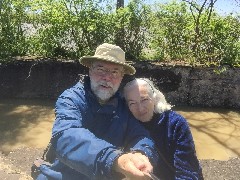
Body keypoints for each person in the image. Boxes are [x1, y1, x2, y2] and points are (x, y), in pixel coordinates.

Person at [34, 43, 159, 180]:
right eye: (101, 69)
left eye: (115, 72)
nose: (107, 77)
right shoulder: (71, 98)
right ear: (90, 70)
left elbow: (140, 135)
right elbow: (66, 135)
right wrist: (116, 160)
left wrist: (142, 154)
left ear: (122, 77)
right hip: (64, 175)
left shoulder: (124, 105)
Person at [123, 78, 204, 180]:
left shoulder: (175, 123)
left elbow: (187, 171)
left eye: (144, 100)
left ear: (154, 99)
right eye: (133, 103)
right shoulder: (127, 125)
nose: (140, 108)